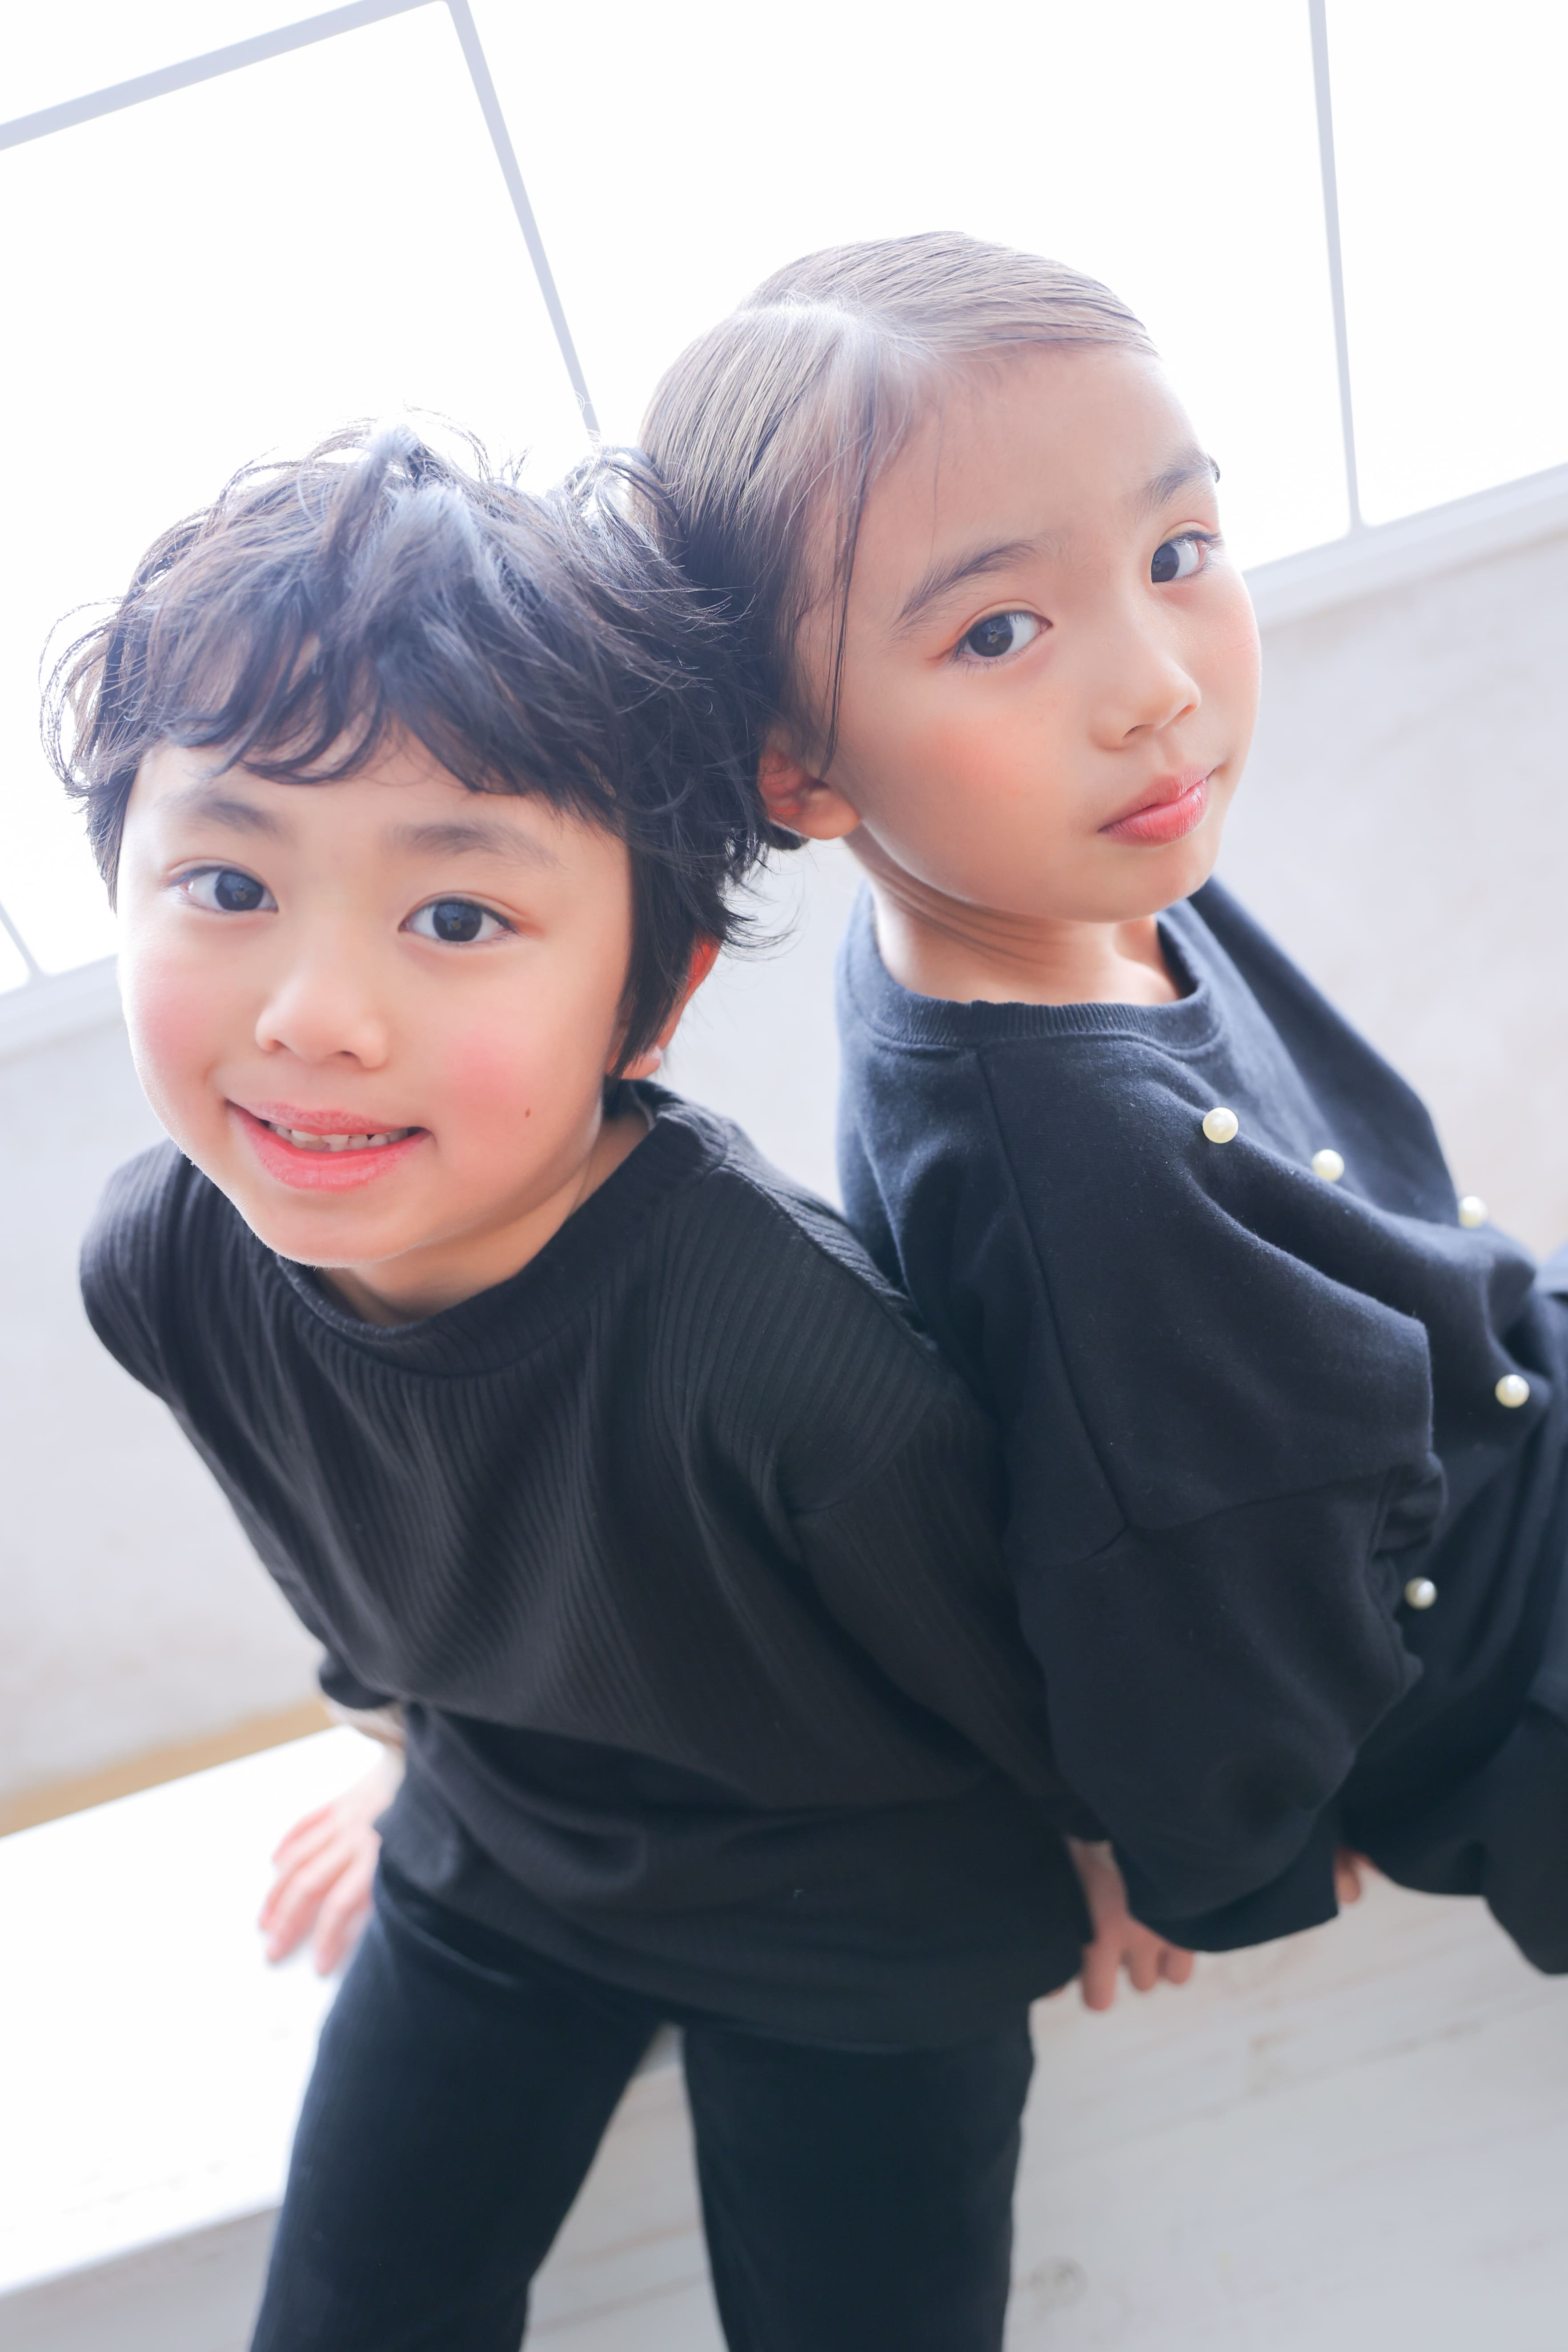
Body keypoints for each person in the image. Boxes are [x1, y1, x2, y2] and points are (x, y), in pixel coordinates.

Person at [56, 423, 1187, 2352]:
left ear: (647, 1004)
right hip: (505, 1844)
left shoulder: (781, 1344)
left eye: (456, 918)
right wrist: (395, 1734)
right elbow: (333, 1537)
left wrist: (1119, 1830)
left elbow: (987, 1632)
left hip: (861, 1906)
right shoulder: (163, 1261)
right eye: (227, 881)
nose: (314, 1014)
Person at [638, 231, 1568, 1966]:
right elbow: (1175, 1584)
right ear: (797, 765)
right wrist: (1220, 1858)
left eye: (1178, 551)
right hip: (1514, 1669)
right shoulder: (1098, 1184)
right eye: (999, 630)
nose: (1156, 682)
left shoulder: (1049, 870)